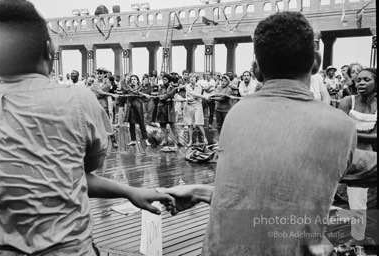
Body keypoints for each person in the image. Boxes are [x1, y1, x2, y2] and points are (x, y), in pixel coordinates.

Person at [162, 12, 362, 255]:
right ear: (316, 62)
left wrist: (201, 191)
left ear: (256, 68)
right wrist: (360, 226)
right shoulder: (341, 126)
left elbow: (256, 197)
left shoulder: (238, 113)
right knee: (361, 224)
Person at [0, 1, 175, 254]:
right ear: (48, 49)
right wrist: (130, 190)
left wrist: (130, 191)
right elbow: (83, 170)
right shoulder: (79, 99)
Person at [338, 68, 377, 246]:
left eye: (366, 80)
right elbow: (338, 129)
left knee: (359, 202)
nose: (360, 83)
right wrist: (361, 134)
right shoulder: (348, 101)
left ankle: (357, 238)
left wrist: (351, 131)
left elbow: (376, 136)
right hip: (341, 154)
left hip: (364, 160)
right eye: (358, 79)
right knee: (324, 196)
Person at [122, 74, 151, 146]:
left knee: (141, 123)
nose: (133, 81)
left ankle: (146, 139)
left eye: (134, 79)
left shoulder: (140, 87)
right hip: (131, 106)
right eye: (132, 79)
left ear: (137, 80)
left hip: (138, 106)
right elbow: (133, 92)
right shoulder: (129, 87)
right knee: (131, 123)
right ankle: (133, 139)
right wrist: (143, 94)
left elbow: (137, 92)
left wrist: (142, 94)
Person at [182, 74, 208, 146]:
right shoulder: (187, 86)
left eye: (193, 77)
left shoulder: (199, 86)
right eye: (190, 77)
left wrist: (190, 98)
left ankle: (205, 138)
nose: (191, 79)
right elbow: (193, 95)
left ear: (196, 79)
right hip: (189, 106)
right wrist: (203, 96)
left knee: (199, 123)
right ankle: (190, 141)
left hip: (197, 106)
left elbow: (196, 95)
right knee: (190, 124)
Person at [156, 73, 181, 146]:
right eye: (163, 79)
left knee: (173, 125)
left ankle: (178, 140)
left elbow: (170, 94)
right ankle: (164, 140)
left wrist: (163, 97)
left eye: (165, 79)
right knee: (162, 125)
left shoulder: (172, 87)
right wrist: (165, 97)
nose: (164, 81)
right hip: (162, 108)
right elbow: (159, 96)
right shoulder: (161, 87)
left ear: (169, 80)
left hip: (170, 108)